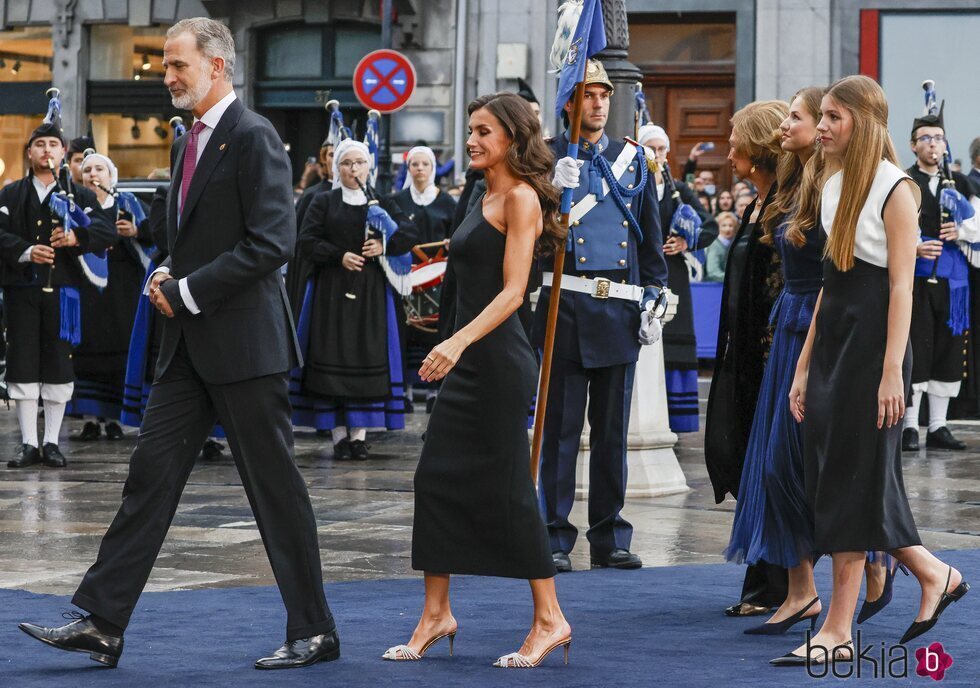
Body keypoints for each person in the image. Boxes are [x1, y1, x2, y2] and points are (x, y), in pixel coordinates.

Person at [18, 18, 339, 670]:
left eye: (176, 66)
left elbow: (272, 243)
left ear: (217, 66)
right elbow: (191, 232)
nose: (165, 77)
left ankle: (317, 631)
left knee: (274, 492)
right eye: (164, 66)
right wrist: (166, 266)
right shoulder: (189, 139)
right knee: (149, 477)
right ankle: (103, 622)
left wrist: (188, 289)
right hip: (188, 347)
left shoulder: (254, 140)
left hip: (246, 346)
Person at [777, 74, 969, 667]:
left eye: (834, 116)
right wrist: (805, 366)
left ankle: (838, 628)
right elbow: (830, 289)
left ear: (864, 120)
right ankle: (935, 574)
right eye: (824, 116)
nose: (824, 125)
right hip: (836, 338)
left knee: (854, 480)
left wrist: (893, 372)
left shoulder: (898, 190)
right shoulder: (831, 183)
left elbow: (901, 289)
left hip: (877, 345)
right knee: (840, 474)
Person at [385, 91, 570, 669]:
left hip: (496, 363)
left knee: (510, 489)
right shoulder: (479, 191)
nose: (471, 140)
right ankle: (436, 613)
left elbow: (514, 292)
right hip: (466, 359)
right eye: (470, 130)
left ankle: (550, 619)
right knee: (434, 479)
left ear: (512, 138)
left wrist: (456, 341)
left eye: (483, 131)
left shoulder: (520, 198)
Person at [537, 60, 668, 573]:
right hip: (565, 308)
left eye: (604, 95)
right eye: (589, 95)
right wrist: (550, 186)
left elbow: (648, 237)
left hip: (616, 308)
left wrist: (654, 293)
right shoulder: (545, 157)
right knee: (561, 431)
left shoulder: (632, 158)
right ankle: (553, 533)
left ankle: (610, 534)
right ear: (570, 101)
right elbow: (523, 230)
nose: (598, 104)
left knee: (612, 433)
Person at [724, 87, 826, 635]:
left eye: (799, 116)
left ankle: (906, 569)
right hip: (771, 347)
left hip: (793, 344)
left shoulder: (810, 194)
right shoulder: (775, 199)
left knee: (800, 469)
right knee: (776, 469)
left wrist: (796, 362)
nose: (728, 150)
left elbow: (826, 282)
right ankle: (790, 589)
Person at [704, 100, 789, 618]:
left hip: (769, 361)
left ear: (756, 147)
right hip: (745, 362)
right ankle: (765, 582)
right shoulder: (758, 203)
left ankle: (775, 587)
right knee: (746, 465)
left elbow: (784, 289)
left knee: (772, 472)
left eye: (735, 138)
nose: (728, 147)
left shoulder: (782, 205)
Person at [0, 97, 115, 469]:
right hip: (22, 291)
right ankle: (28, 443)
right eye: (39, 145)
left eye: (53, 145)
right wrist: (25, 250)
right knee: (23, 363)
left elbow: (104, 230)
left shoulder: (79, 195)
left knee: (58, 364)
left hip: (65, 294)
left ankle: (51, 442)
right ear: (30, 152)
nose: (46, 150)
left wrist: (76, 239)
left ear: (64, 152)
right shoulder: (10, 193)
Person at [291, 138, 417, 460]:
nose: (354, 169)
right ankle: (337, 436)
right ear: (337, 168)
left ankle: (359, 436)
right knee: (332, 355)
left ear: (368, 166)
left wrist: (383, 246)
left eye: (360, 162)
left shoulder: (380, 201)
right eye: (347, 163)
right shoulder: (324, 202)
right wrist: (338, 256)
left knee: (366, 354)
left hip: (371, 294)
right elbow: (306, 241)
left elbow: (408, 233)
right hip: (331, 291)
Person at [901, 111, 980, 451]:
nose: (932, 145)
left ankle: (938, 425)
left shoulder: (961, 184)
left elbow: (978, 223)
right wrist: (914, 246)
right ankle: (909, 426)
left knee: (948, 350)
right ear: (913, 145)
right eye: (926, 139)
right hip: (915, 280)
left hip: (953, 283)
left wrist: (960, 229)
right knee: (917, 347)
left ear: (946, 145)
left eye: (938, 139)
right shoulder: (904, 181)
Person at [638, 123, 717, 433]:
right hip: (644, 273)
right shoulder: (634, 186)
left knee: (674, 341)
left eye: (662, 149)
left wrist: (687, 242)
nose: (658, 155)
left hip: (674, 274)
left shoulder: (679, 190)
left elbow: (708, 225)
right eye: (652, 149)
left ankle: (676, 418)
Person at [69, 152, 153, 440]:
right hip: (87, 291)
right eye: (88, 169)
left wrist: (136, 230)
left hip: (122, 290)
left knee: (119, 354)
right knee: (87, 354)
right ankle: (91, 419)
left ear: (110, 175)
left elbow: (157, 235)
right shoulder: (76, 206)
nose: (93, 174)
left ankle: (115, 418)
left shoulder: (127, 204)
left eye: (100, 169)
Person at [392, 145, 457, 413]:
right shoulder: (397, 201)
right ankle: (405, 390)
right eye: (414, 164)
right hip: (405, 278)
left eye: (424, 164)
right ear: (408, 169)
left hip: (438, 280)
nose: (419, 169)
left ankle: (434, 390)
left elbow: (456, 233)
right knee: (408, 334)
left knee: (435, 333)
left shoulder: (447, 203)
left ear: (432, 168)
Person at [704, 210, 737, 282]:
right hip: (712, 286)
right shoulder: (714, 245)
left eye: (730, 225)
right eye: (724, 225)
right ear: (718, 227)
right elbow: (713, 272)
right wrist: (733, 279)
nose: (727, 229)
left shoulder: (733, 243)